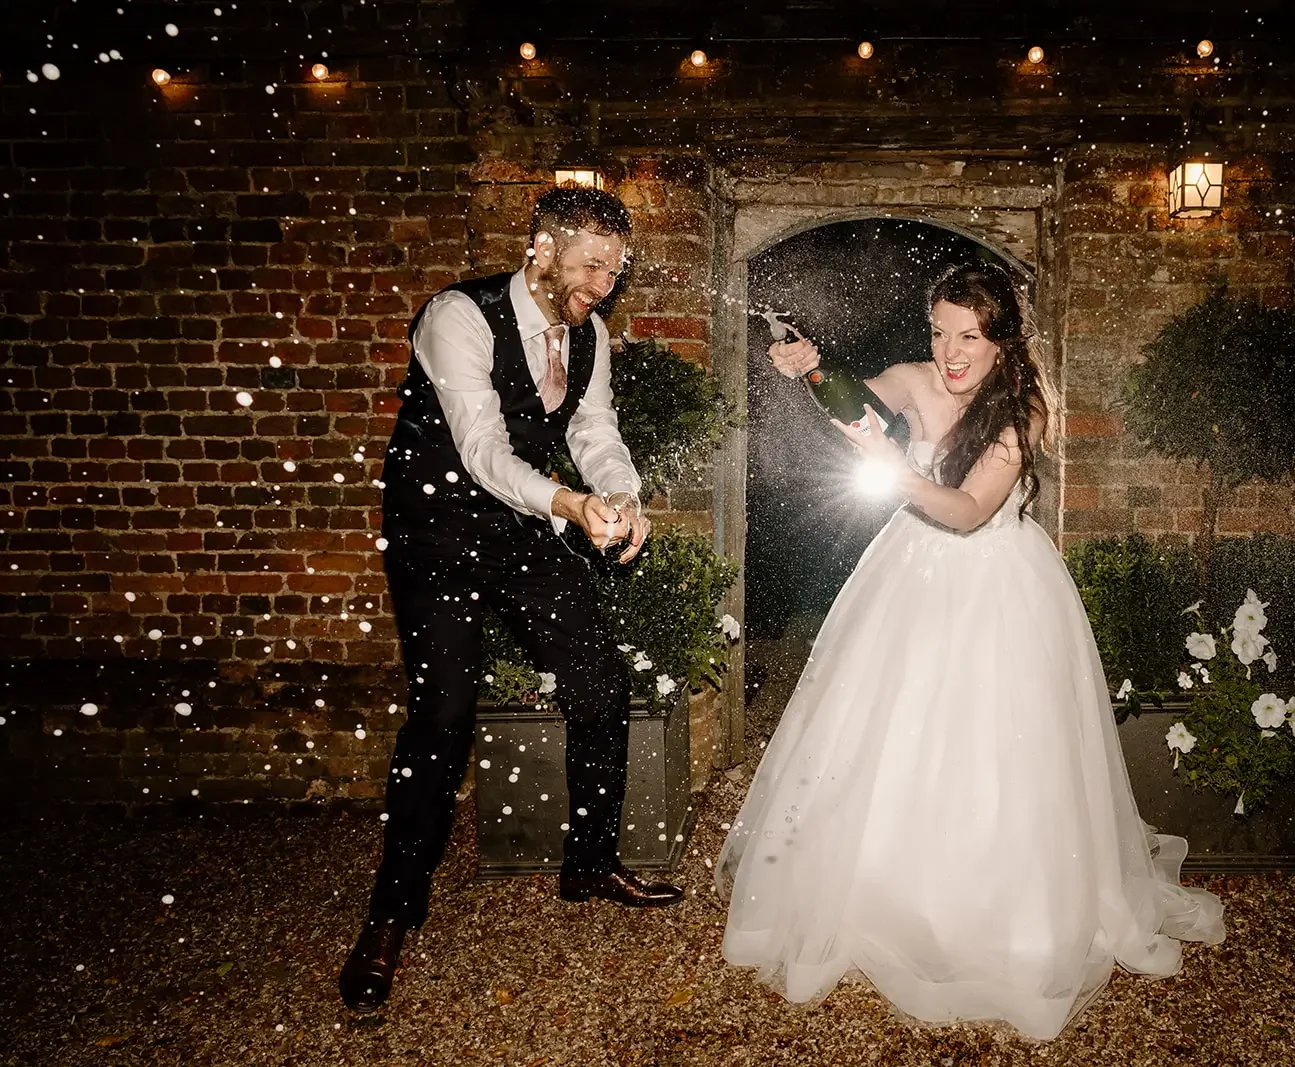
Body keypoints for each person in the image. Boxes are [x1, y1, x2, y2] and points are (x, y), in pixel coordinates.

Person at [715, 263, 1225, 1039]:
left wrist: (893, 473)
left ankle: (999, 909)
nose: (951, 353)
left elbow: (966, 511)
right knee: (891, 729)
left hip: (1000, 585)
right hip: (908, 576)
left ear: (1000, 341)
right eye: (940, 332)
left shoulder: (1022, 410)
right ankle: (880, 893)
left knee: (997, 746)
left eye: (970, 337)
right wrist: (812, 367)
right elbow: (855, 398)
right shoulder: (914, 379)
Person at [339, 186, 684, 1015]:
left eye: (616, 270)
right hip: (439, 528)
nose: (603, 285)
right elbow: (483, 446)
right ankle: (390, 916)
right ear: (542, 245)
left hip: (521, 528)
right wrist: (569, 505)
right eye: (592, 264)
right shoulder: (456, 316)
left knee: (599, 679)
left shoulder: (589, 333)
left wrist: (622, 496)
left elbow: (592, 430)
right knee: (444, 713)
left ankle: (589, 861)